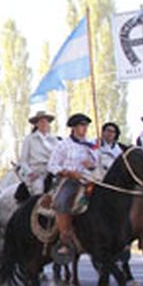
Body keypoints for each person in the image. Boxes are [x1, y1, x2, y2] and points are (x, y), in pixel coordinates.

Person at [47, 113, 99, 263]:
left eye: (86, 126)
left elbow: (97, 163)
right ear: (74, 128)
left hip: (90, 179)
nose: (85, 129)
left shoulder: (91, 145)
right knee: (62, 201)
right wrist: (67, 172)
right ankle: (64, 239)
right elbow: (51, 165)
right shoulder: (63, 145)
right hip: (69, 180)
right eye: (82, 126)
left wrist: (92, 165)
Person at [19, 110, 59, 198]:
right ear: (36, 124)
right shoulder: (29, 139)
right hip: (37, 172)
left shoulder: (54, 140)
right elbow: (23, 161)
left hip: (54, 171)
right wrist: (30, 173)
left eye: (46, 121)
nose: (44, 124)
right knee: (38, 189)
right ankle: (36, 210)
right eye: (41, 122)